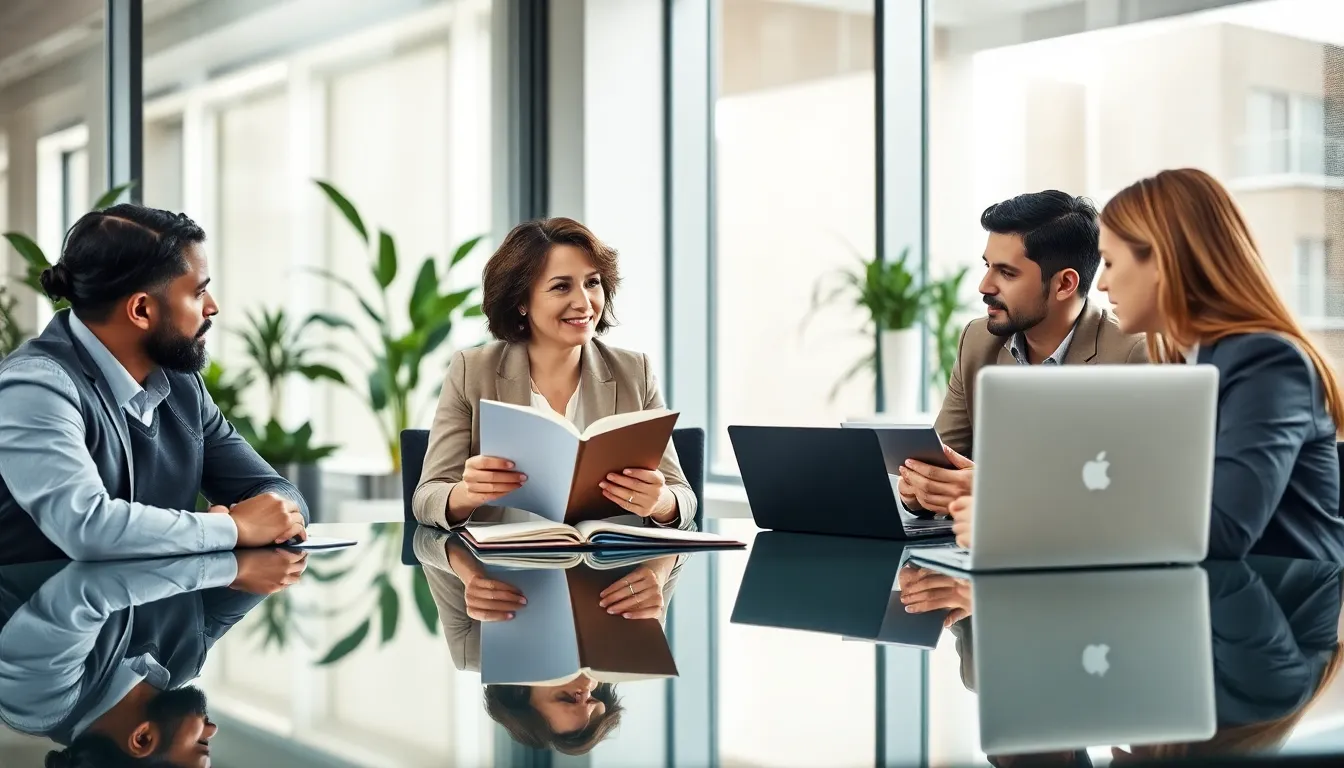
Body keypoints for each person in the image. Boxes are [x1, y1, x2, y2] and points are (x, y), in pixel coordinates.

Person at [948, 168, 1344, 561]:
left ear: (1163, 264)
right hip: (1194, 592)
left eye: (1110, 263)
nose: (1102, 284)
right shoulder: (1182, 361)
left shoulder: (1266, 363)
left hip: (1283, 596)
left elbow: (1222, 529)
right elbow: (1130, 496)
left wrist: (1021, 521)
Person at [0, 204, 309, 564]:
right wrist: (234, 528)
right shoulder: (35, 387)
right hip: (42, 600)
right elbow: (87, 527)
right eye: (198, 293)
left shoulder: (182, 384)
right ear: (142, 310)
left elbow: (275, 492)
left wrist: (273, 516)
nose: (212, 307)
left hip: (154, 599)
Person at [412, 217, 697, 530]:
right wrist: (467, 494)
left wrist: (661, 502)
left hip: (604, 557)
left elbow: (683, 495)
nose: (584, 303)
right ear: (521, 301)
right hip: (503, 558)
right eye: (561, 287)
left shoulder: (635, 372)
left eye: (592, 283)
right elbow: (427, 497)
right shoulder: (472, 371)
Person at [898, 191, 1147, 516]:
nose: (985, 286)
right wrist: (918, 488)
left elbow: (1129, 495)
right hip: (981, 539)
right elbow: (939, 465)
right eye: (988, 266)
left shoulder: (1131, 356)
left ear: (1064, 284)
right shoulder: (977, 341)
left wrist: (996, 491)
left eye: (1007, 273)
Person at [0, 549, 306, 767]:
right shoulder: (181, 662)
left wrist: (213, 553)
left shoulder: (38, 702)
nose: (212, 730)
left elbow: (90, 583)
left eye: (201, 744)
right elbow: (273, 556)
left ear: (143, 739)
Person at [413, 525, 682, 755]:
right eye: (593, 697)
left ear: (520, 692)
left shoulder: (472, 648)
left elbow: (423, 539)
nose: (588, 685)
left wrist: (471, 575)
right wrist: (656, 574)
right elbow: (683, 533)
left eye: (568, 697)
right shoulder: (635, 646)